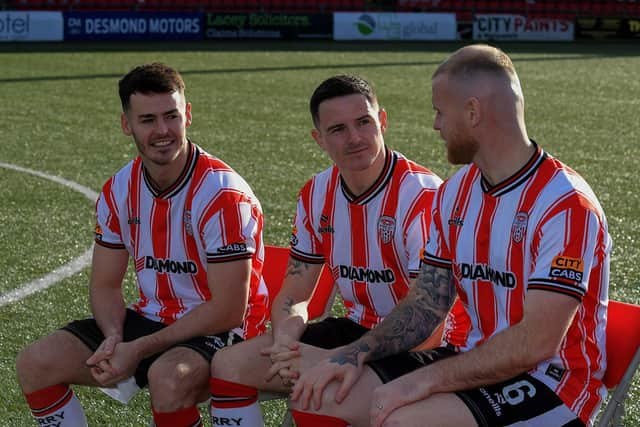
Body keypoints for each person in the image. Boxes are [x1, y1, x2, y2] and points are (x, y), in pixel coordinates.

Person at [289, 44, 612, 427]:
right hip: (470, 360)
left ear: (473, 112)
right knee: (321, 398)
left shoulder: (565, 204)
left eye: (441, 112)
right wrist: (356, 353)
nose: (436, 125)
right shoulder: (455, 193)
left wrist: (419, 382)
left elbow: (536, 343)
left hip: (552, 381)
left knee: (400, 419)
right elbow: (426, 306)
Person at [15, 63, 268, 427]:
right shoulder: (119, 189)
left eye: (172, 116)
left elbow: (229, 309)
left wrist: (137, 350)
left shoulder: (222, 195)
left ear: (188, 115)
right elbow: (104, 284)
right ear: (126, 125)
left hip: (226, 331)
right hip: (150, 320)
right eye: (148, 120)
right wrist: (115, 336)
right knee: (36, 362)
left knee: (167, 378)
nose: (163, 130)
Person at [208, 74, 443, 427]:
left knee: (321, 397)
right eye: (338, 129)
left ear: (382, 121)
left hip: (417, 347)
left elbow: (430, 325)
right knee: (228, 365)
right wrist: (286, 339)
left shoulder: (423, 197)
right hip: (354, 328)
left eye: (364, 122)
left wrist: (342, 357)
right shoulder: (316, 194)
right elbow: (294, 294)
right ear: (319, 139)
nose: (355, 138)